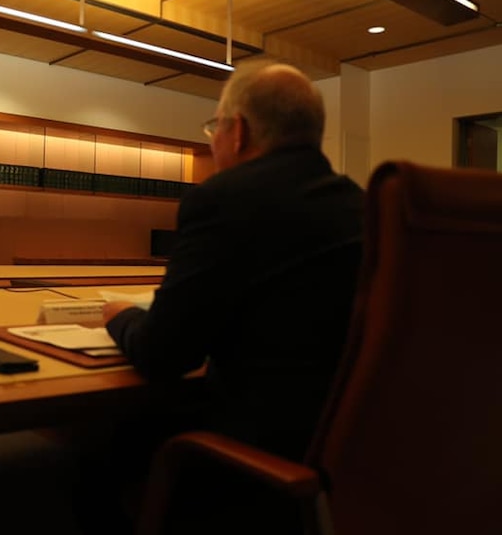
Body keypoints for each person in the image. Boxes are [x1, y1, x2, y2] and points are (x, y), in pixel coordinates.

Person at [75, 60, 366, 534]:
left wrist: (121, 315)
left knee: (102, 446)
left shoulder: (223, 198)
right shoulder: (362, 204)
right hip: (346, 440)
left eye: (214, 127)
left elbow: (162, 355)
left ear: (237, 131)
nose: (213, 140)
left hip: (256, 441)